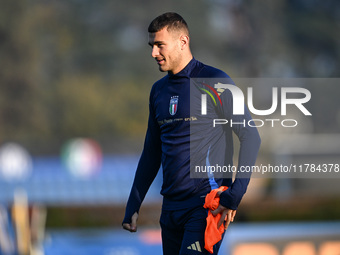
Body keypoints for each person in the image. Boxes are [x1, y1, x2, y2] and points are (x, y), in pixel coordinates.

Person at [122, 12, 261, 255]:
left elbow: (251, 136)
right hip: (170, 211)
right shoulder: (158, 91)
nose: (153, 53)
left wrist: (235, 194)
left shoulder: (215, 81)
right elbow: (151, 152)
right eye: (151, 46)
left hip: (205, 207)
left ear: (183, 42)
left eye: (159, 45)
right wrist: (134, 203)